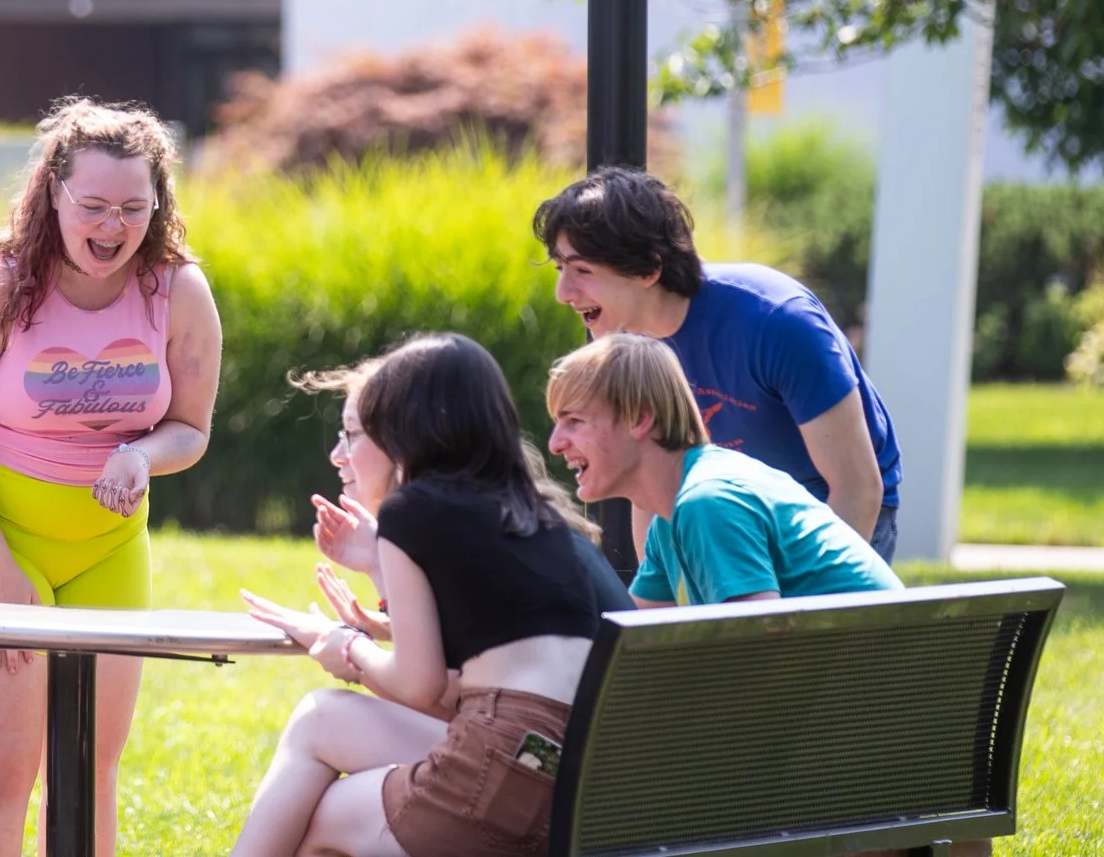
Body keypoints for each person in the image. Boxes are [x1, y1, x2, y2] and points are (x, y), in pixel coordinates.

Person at [0, 98, 224, 857]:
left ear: (158, 204)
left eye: (132, 206)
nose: (112, 226)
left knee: (89, 767)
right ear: (53, 193)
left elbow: (191, 427)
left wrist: (141, 454)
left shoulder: (179, 291)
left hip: (107, 545)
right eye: (92, 204)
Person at [232, 333, 631, 857]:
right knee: (323, 729)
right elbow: (463, 685)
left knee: (320, 802)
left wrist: (347, 648)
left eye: (358, 433)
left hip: (497, 768)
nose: (345, 453)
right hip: (573, 789)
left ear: (403, 432)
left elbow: (418, 685)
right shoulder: (543, 521)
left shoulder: (411, 510)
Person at [533, 167, 905, 556]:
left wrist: (802, 610)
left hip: (832, 510)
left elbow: (858, 487)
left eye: (582, 271)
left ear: (648, 269)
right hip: (734, 515)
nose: (563, 293)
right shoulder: (625, 343)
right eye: (561, 269)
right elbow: (650, 491)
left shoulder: (777, 321)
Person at [547, 332, 899, 607]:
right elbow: (637, 649)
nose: (555, 443)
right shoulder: (669, 518)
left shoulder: (707, 501)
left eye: (574, 421)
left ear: (639, 419)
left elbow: (751, 652)